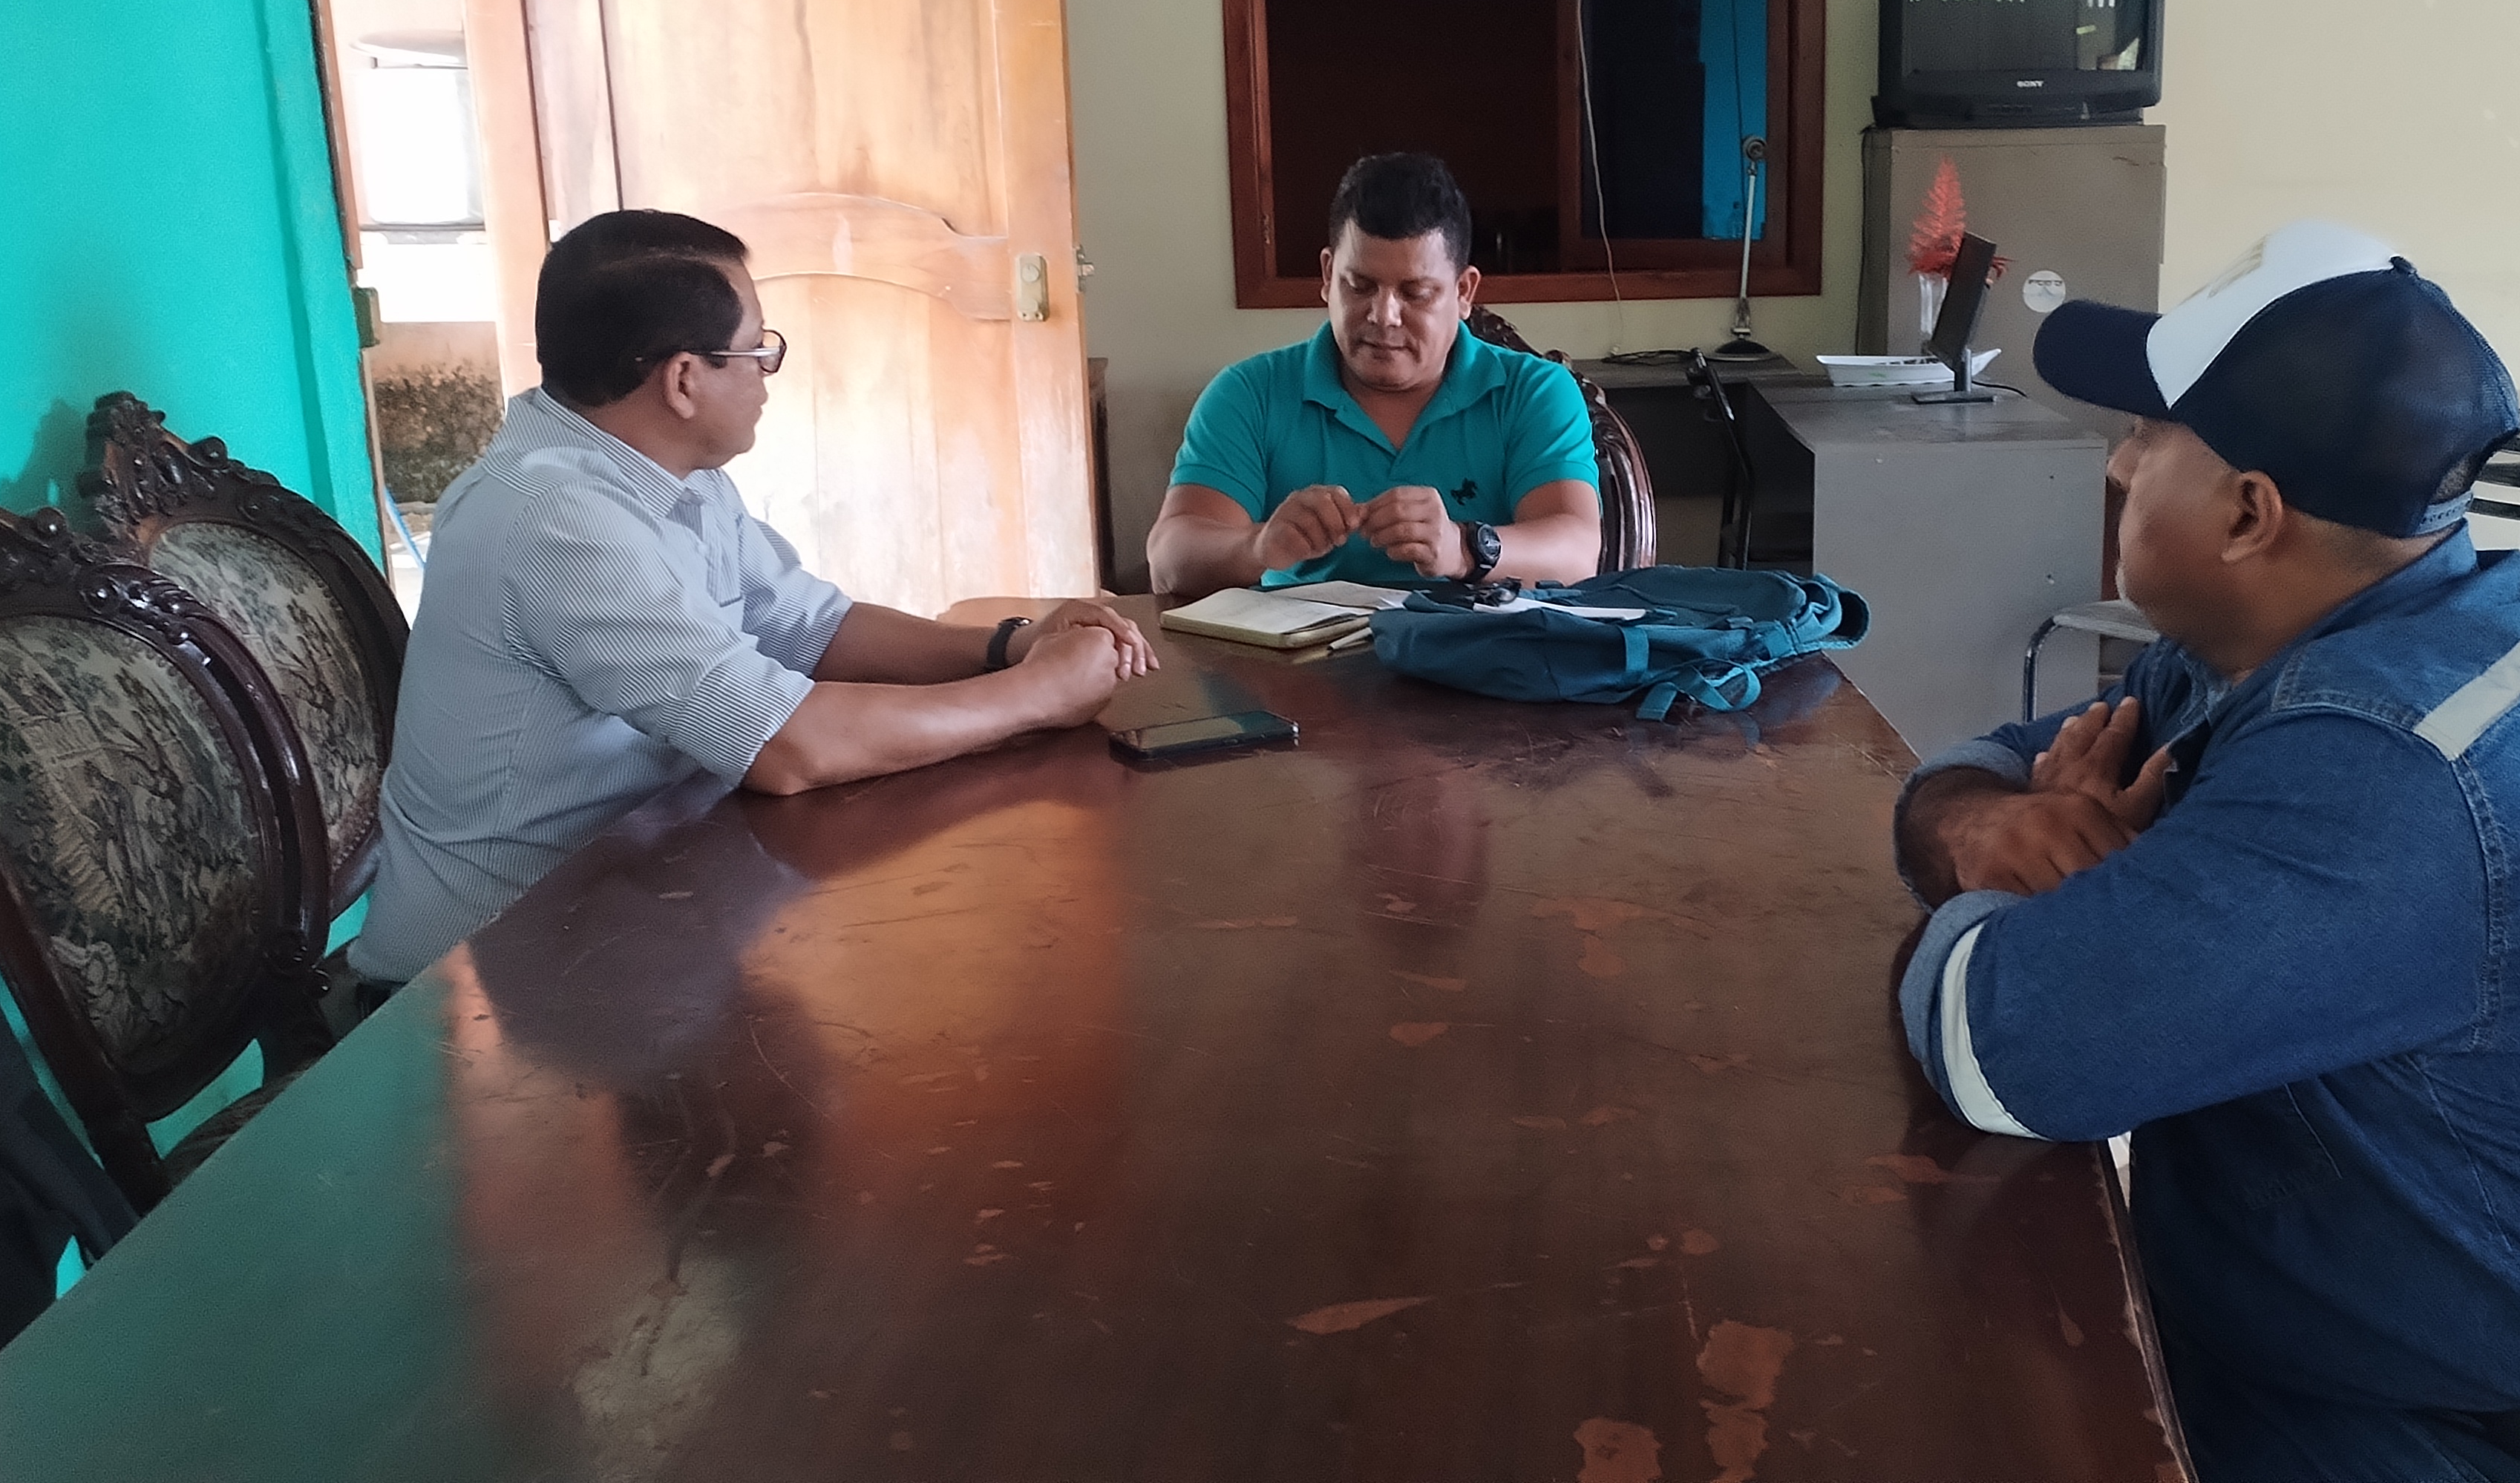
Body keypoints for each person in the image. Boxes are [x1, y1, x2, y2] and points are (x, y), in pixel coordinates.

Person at [1890, 221, 2520, 1483]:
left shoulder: (2386, 762)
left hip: (2482, 1456)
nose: (2118, 465)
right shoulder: (2317, 641)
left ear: (2250, 513)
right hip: (2352, 1377)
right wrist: (1985, 827)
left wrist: (2009, 917)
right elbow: (1987, 765)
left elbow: (2002, 1045)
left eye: (2147, 435)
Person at [348, 209, 1156, 987]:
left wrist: (1011, 643)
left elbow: (811, 628)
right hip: (491, 976)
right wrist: (1035, 695)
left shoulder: (668, 474)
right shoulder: (554, 518)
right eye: (756, 351)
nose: (767, 377)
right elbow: (785, 748)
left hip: (639, 894)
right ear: (684, 379)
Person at [1146, 153, 1603, 595]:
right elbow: (1169, 561)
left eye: (1416, 293)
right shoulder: (1250, 393)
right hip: (1296, 646)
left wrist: (1463, 548)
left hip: (1483, 643)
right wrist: (1257, 546)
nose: (1384, 316)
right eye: (1359, 286)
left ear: (1464, 292)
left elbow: (1577, 554)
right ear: (1328, 275)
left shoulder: (1535, 392)